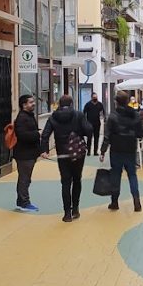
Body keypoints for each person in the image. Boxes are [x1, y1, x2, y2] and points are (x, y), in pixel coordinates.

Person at [41, 95, 93, 223]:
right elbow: (88, 130)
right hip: (77, 153)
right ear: (71, 103)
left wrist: (44, 150)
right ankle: (75, 209)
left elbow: (45, 134)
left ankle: (67, 214)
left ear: (59, 103)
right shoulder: (79, 115)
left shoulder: (53, 117)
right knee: (77, 180)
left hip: (62, 154)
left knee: (65, 182)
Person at [101, 91, 143, 212]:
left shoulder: (113, 116)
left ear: (116, 102)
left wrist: (102, 150)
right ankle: (136, 200)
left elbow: (107, 135)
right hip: (130, 148)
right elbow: (141, 132)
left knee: (116, 174)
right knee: (132, 174)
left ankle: (114, 201)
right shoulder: (134, 115)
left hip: (116, 148)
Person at [12, 94, 41, 212]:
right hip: (24, 154)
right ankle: (24, 202)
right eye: (30, 102)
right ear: (24, 105)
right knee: (24, 179)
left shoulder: (29, 116)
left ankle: (22, 201)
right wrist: (37, 134)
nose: (33, 103)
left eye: (33, 101)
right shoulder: (22, 118)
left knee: (25, 178)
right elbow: (22, 135)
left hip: (29, 153)